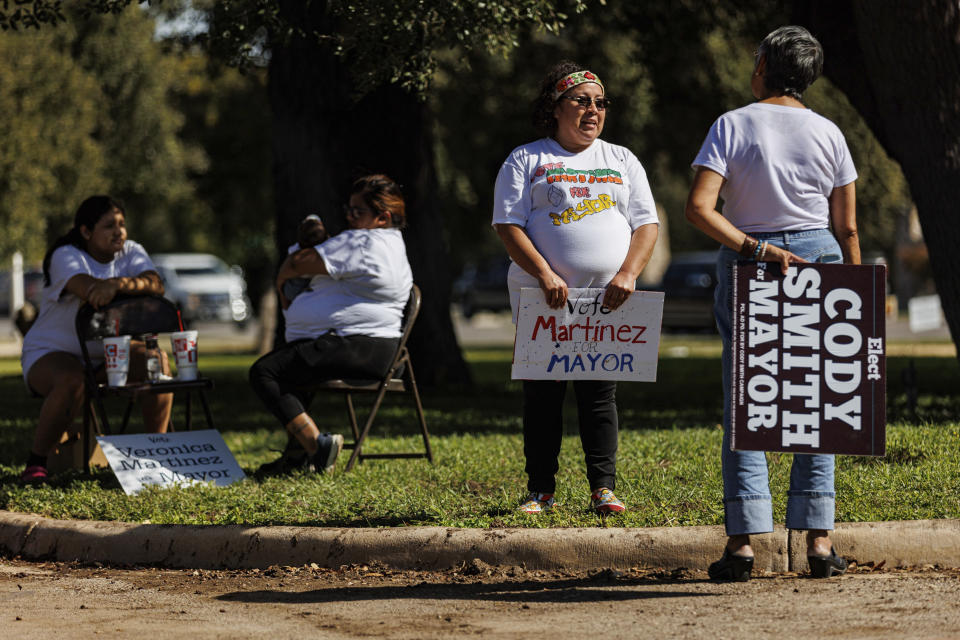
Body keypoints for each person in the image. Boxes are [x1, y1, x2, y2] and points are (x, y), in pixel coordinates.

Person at [686, 26, 860, 580]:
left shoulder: (731, 125)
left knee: (746, 396)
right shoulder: (830, 132)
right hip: (820, 257)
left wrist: (757, 248)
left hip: (748, 260)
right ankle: (820, 542)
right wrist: (855, 297)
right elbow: (848, 225)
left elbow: (699, 209)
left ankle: (742, 544)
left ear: (763, 64)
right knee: (819, 400)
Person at [492, 62, 660, 515]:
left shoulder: (621, 159)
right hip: (542, 297)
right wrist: (546, 275)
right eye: (581, 100)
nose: (593, 110)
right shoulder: (526, 159)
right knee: (543, 397)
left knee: (599, 395)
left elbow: (646, 224)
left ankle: (602, 488)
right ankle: (541, 490)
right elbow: (508, 225)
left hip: (607, 301)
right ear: (555, 107)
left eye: (600, 102)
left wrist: (626, 274)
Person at [250, 174, 413, 476]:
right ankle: (297, 457)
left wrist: (286, 276)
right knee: (294, 366)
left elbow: (296, 265)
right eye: (348, 209)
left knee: (265, 371)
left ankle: (316, 445)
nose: (349, 217)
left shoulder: (361, 241)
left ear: (382, 217)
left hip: (354, 346)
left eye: (357, 211)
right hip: (384, 352)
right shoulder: (393, 244)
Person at [19, 195, 173, 484]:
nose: (119, 232)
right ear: (86, 232)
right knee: (72, 380)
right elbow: (90, 291)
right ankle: (36, 462)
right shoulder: (66, 255)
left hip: (108, 355)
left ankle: (158, 454)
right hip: (52, 352)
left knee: (157, 362)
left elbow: (156, 285)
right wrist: (131, 286)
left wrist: (116, 284)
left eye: (122, 224)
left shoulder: (131, 251)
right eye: (109, 226)